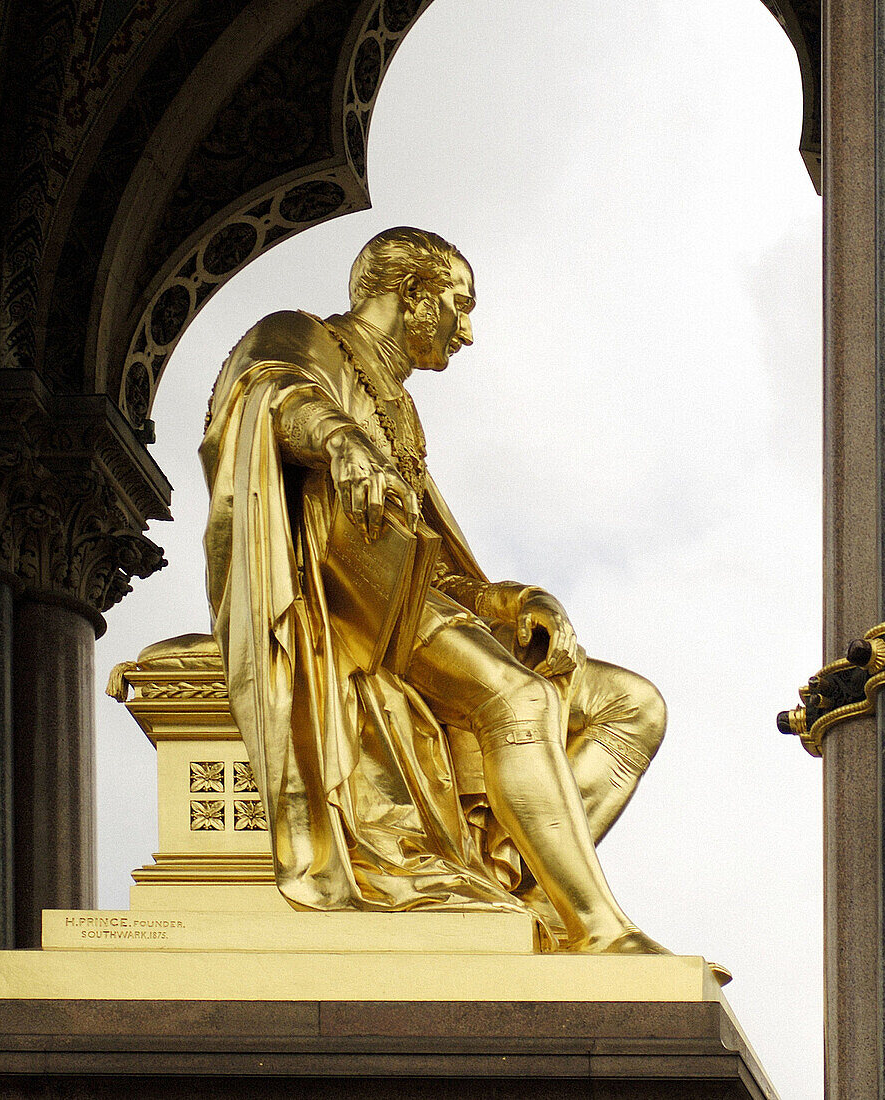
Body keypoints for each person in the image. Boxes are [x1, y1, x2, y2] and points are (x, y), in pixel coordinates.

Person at [201, 227, 669, 952]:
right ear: (411, 293)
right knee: (522, 697)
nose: (467, 331)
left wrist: (508, 602)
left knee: (632, 707)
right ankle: (601, 930)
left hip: (411, 606)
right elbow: (272, 393)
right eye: (458, 303)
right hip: (346, 612)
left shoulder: (403, 410)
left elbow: (429, 562)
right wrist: (337, 439)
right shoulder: (304, 336)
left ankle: (525, 886)